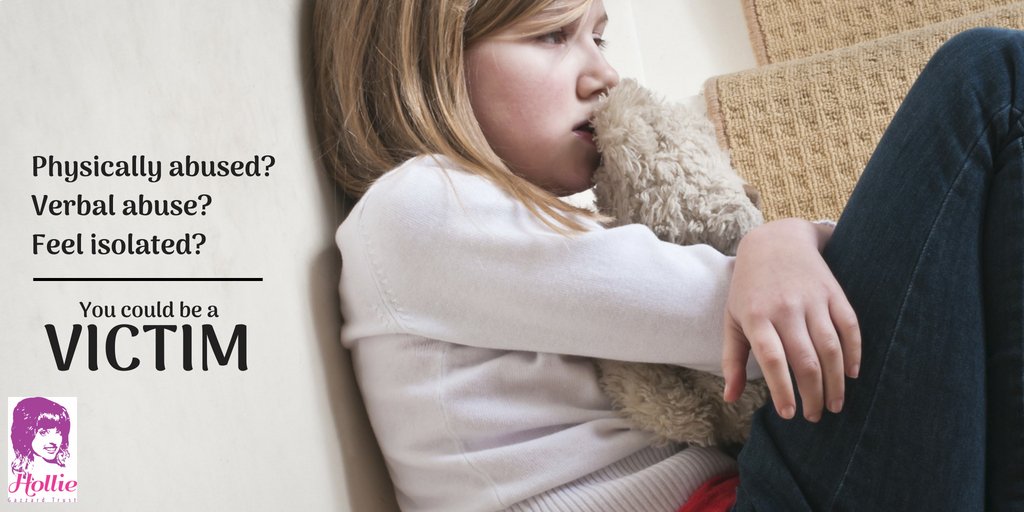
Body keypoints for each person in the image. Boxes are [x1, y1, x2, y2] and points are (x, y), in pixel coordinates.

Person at [312, 0, 1023, 509]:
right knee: (990, 79)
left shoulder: (489, 230)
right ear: (432, 62)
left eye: (599, 36)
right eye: (554, 35)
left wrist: (785, 238)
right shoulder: (418, 208)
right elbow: (757, 324)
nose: (605, 76)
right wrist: (781, 241)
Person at [9, 397, 72, 475]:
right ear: (25, 434)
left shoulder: (65, 471)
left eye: (58, 432)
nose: (54, 441)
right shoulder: (17, 472)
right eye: (43, 432)